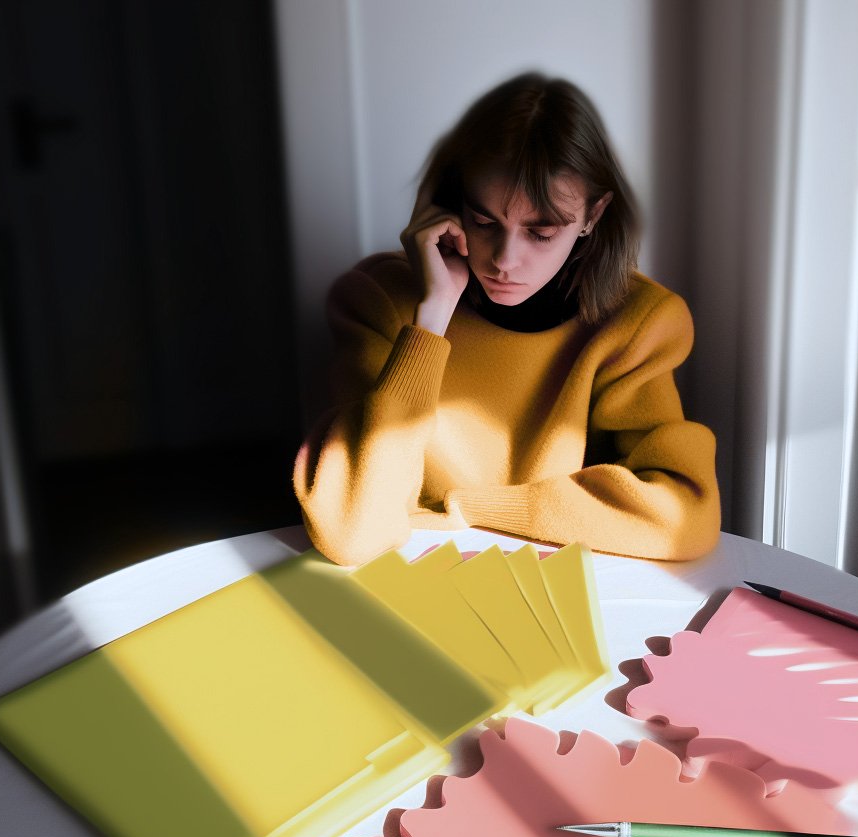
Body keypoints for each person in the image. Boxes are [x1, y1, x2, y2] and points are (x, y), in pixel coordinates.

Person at [293, 72, 720, 566]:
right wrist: (430, 322)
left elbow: (681, 517)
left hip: (558, 591)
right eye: (484, 221)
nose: (504, 260)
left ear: (593, 215)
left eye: (540, 232)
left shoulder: (635, 324)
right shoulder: (381, 304)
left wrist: (471, 508)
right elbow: (352, 532)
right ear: (450, 206)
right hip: (411, 582)